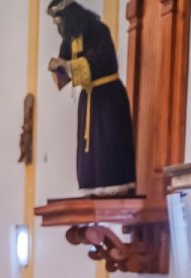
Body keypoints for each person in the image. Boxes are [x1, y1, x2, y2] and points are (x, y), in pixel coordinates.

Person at [47, 0, 136, 193]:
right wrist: (58, 69)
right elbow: (65, 73)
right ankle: (91, 187)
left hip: (108, 98)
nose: (59, 28)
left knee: (108, 144)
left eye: (59, 22)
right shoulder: (70, 40)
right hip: (89, 99)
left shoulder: (99, 31)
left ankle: (115, 186)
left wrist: (67, 66)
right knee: (89, 151)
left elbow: (101, 62)